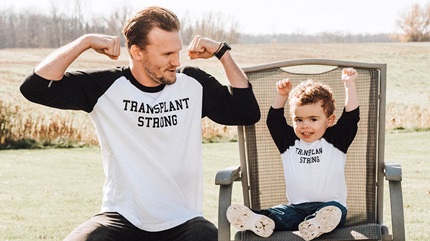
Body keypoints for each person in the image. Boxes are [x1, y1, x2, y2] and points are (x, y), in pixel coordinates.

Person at [20, 6, 260, 241]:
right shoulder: (105, 87)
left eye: (177, 51)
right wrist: (84, 42)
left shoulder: (192, 84)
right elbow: (34, 88)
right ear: (137, 52)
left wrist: (222, 52)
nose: (176, 61)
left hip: (184, 221)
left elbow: (247, 112)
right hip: (121, 217)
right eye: (166, 54)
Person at [226, 68, 359, 241]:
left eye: (313, 119)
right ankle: (259, 220)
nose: (305, 125)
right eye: (298, 120)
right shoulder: (288, 141)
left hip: (330, 207)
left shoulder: (337, 139)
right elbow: (273, 121)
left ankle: (317, 223)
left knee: (334, 213)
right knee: (280, 214)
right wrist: (282, 96)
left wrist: (349, 84)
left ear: (330, 120)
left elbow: (351, 116)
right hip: (296, 208)